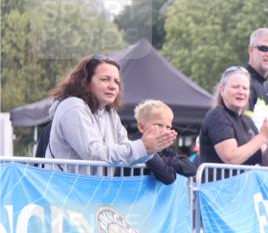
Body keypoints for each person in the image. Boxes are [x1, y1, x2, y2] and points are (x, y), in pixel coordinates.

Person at [45, 53, 174, 164]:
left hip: (92, 190)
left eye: (116, 81)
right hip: (66, 191)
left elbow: (126, 155)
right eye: (105, 79)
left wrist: (150, 148)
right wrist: (142, 146)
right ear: (86, 81)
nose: (113, 86)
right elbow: (93, 154)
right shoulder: (73, 107)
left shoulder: (110, 113)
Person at [198, 66, 268, 167]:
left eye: (245, 88)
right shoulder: (217, 115)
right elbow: (231, 158)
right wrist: (263, 136)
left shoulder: (247, 121)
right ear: (222, 89)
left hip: (246, 182)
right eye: (235, 87)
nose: (241, 92)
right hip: (221, 182)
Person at [134, 100, 195, 185]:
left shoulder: (163, 148)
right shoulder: (139, 145)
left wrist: (163, 160)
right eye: (158, 125)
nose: (164, 131)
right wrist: (166, 162)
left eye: (168, 127)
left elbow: (191, 168)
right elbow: (168, 177)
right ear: (141, 127)